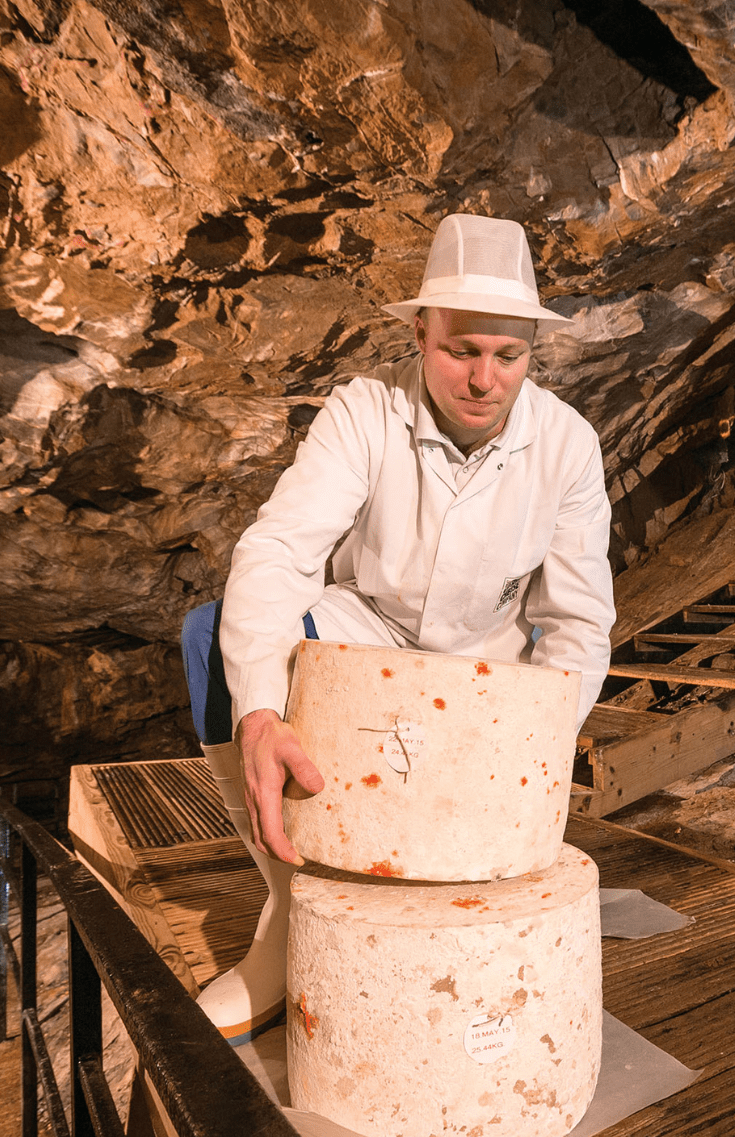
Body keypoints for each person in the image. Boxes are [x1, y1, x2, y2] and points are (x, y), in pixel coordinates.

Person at [180, 213, 615, 1043]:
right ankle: (288, 907)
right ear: (421, 333)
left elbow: (577, 619)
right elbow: (278, 552)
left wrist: (539, 752)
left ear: (533, 351)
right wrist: (262, 713)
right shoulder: (362, 414)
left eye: (509, 356)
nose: (484, 379)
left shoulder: (568, 446)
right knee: (211, 635)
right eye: (461, 350)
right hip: (363, 633)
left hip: (486, 672)